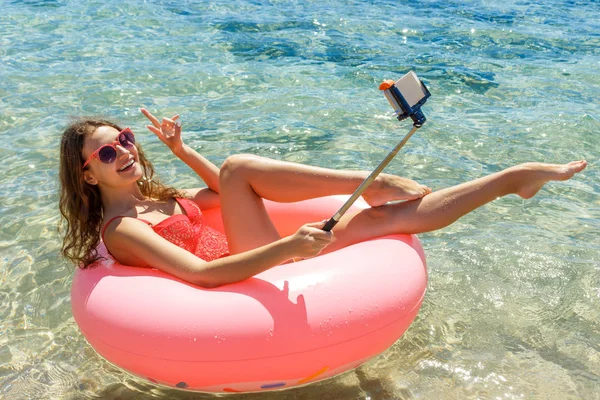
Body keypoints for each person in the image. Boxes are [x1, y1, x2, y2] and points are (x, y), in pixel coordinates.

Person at [59, 108, 587, 288]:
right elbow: (199, 276)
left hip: (257, 254)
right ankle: (369, 179)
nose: (125, 151)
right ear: (86, 175)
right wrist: (287, 250)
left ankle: (512, 179)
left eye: (125, 138)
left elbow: (224, 192)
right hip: (246, 275)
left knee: (380, 222)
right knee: (242, 165)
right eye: (107, 153)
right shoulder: (122, 229)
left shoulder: (153, 195)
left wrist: (181, 147)